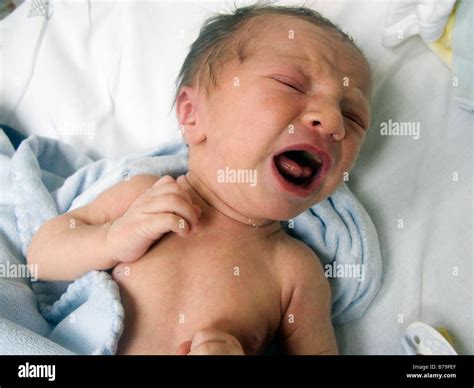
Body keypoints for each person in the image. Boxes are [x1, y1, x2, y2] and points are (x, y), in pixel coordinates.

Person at [27, 4, 372, 355]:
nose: (333, 121)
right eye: (290, 85)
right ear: (193, 116)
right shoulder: (146, 197)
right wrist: (110, 239)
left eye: (353, 116)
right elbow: (40, 256)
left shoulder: (295, 272)